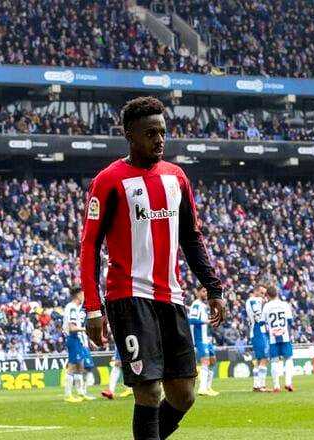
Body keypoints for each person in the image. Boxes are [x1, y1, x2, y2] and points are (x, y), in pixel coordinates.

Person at [80, 96, 226, 440]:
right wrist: (93, 308)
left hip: (171, 297)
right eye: (150, 133)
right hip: (128, 297)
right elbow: (89, 246)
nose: (159, 140)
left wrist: (213, 287)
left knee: (184, 394)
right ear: (130, 135)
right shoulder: (108, 181)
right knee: (148, 390)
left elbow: (191, 237)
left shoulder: (176, 177)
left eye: (162, 132)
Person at [261, 286, 294, 392]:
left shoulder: (266, 306)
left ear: (268, 295)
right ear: (277, 293)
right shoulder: (285, 305)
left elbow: (261, 322)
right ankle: (288, 383)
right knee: (288, 359)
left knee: (274, 360)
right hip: (285, 336)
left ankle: (276, 386)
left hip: (272, 337)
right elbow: (290, 321)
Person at [63, 288, 93, 403]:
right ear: (78, 295)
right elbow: (72, 328)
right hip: (73, 338)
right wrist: (85, 329)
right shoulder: (71, 308)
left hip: (77, 339)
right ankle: (68, 395)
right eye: (83, 294)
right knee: (72, 367)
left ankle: (81, 393)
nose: (84, 297)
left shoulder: (74, 308)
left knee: (80, 366)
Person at [188, 289, 218, 397]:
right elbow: (192, 320)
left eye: (206, 291)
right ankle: (202, 388)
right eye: (203, 291)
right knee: (205, 361)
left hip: (207, 338)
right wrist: (206, 321)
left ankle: (208, 387)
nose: (206, 293)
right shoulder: (196, 304)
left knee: (213, 360)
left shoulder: (204, 305)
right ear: (197, 292)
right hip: (199, 338)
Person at [245, 285, 270, 392]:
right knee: (264, 358)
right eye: (262, 293)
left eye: (264, 293)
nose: (263, 296)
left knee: (259, 359)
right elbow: (258, 316)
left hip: (256, 331)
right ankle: (261, 385)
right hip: (258, 330)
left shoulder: (253, 301)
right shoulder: (253, 301)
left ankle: (256, 385)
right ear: (256, 291)